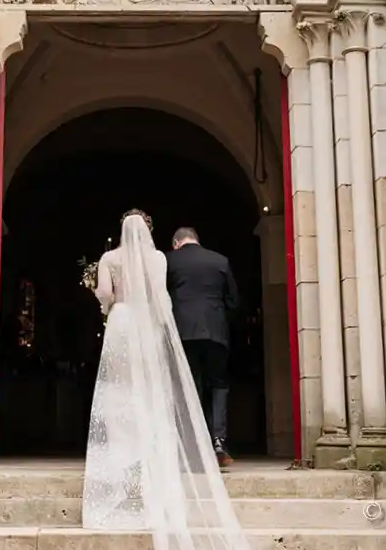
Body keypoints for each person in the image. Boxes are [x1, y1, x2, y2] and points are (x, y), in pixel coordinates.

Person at [82, 211, 249, 550]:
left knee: (117, 390)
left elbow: (103, 293)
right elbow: (162, 296)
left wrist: (109, 308)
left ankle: (122, 453)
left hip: (121, 324)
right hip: (148, 325)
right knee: (152, 391)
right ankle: (154, 451)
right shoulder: (159, 258)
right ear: (147, 231)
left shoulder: (109, 257)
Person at [166, 227, 239, 469]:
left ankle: (191, 444)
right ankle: (218, 441)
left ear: (177, 243)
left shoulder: (169, 260)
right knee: (218, 384)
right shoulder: (220, 260)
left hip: (182, 332)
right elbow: (233, 301)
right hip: (215, 332)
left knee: (188, 385)